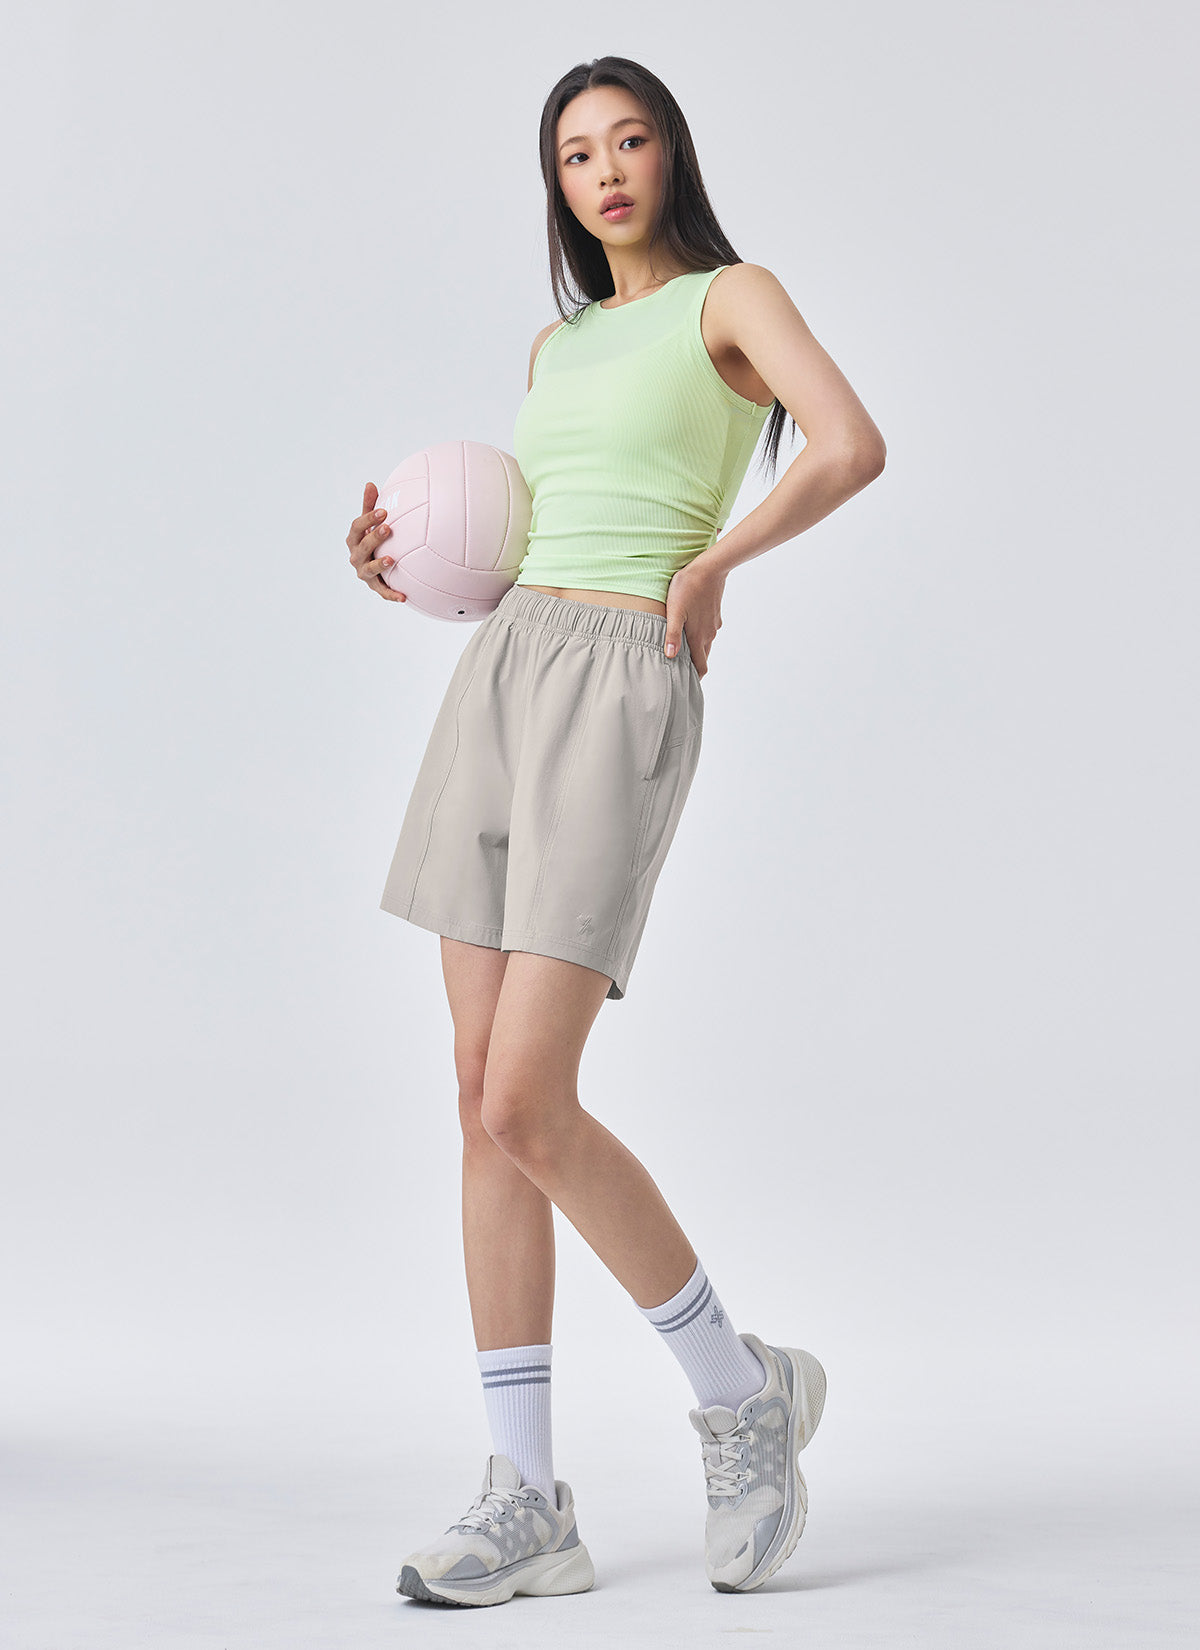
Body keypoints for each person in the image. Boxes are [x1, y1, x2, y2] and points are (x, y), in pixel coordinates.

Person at [346, 56, 885, 1609]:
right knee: (477, 1097)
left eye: (630, 139)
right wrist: (402, 562)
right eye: (578, 154)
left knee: (531, 1095)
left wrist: (713, 568)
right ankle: (527, 1497)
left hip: (622, 678)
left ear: (670, 154)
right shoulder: (558, 342)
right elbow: (532, 523)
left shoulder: (732, 300)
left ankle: (741, 1393)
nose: (608, 171)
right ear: (560, 187)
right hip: (503, 667)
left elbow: (849, 443)